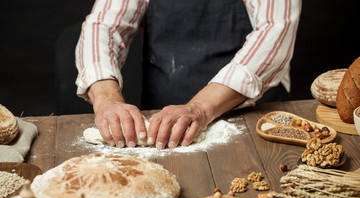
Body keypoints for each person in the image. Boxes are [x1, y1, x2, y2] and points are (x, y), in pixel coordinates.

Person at [75, 0, 302, 149]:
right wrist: (106, 98)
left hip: (255, 119)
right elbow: (104, 25)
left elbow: (276, 29)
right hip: (162, 119)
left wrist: (201, 108)